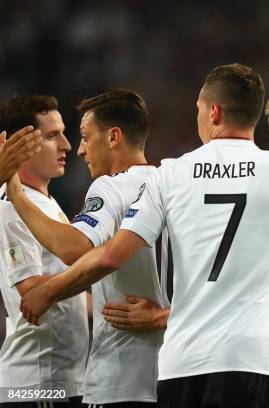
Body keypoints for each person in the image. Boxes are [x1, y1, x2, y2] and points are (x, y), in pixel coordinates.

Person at [20, 58, 269, 407]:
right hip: (250, 363)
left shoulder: (171, 173)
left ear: (213, 111)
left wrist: (50, 291)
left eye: (200, 109)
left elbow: (109, 256)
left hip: (182, 366)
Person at [6, 90, 169, 407]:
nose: (75, 148)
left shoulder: (108, 189)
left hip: (114, 379)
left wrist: (16, 194)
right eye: (56, 136)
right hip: (172, 375)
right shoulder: (173, 184)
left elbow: (74, 250)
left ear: (113, 138)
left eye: (83, 136)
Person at [0, 95, 88, 407]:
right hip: (36, 385)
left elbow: (62, 292)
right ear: (20, 145)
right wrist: (98, 266)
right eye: (52, 136)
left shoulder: (45, 203)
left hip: (62, 379)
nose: (66, 144)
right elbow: (32, 292)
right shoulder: (12, 206)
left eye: (63, 132)